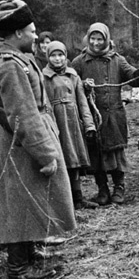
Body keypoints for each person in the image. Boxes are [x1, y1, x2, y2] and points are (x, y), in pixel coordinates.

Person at [0, 0, 75, 279]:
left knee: (29, 198)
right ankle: (18, 269)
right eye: (31, 31)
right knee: (20, 202)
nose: (37, 36)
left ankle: (29, 253)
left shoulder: (14, 59)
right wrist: (45, 154)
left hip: (21, 142)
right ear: (17, 34)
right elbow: (23, 114)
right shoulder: (10, 66)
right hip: (22, 145)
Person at [71, 23, 139, 205]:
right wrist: (82, 85)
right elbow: (70, 84)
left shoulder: (117, 60)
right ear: (88, 38)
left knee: (116, 153)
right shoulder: (79, 62)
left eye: (100, 39)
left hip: (114, 115)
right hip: (92, 117)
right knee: (96, 154)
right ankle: (102, 189)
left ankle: (119, 187)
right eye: (93, 38)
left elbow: (133, 77)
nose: (96, 43)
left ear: (106, 39)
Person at [42, 41, 98, 210]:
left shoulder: (73, 75)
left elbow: (82, 103)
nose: (58, 59)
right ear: (48, 57)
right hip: (56, 122)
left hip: (73, 124)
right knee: (61, 159)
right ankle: (63, 201)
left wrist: (89, 125)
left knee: (74, 158)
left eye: (61, 55)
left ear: (66, 56)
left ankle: (78, 197)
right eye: (53, 55)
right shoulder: (43, 77)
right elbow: (44, 103)